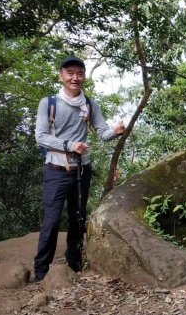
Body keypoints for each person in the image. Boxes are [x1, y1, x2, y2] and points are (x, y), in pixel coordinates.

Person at [33, 56, 125, 282]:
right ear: (61, 76)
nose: (75, 77)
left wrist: (115, 131)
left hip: (81, 170)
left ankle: (74, 265)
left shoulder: (90, 104)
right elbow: (41, 137)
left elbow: (102, 132)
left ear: (84, 77)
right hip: (55, 169)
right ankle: (41, 271)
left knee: (77, 218)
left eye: (79, 73)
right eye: (70, 72)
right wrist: (69, 145)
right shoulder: (49, 103)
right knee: (52, 221)